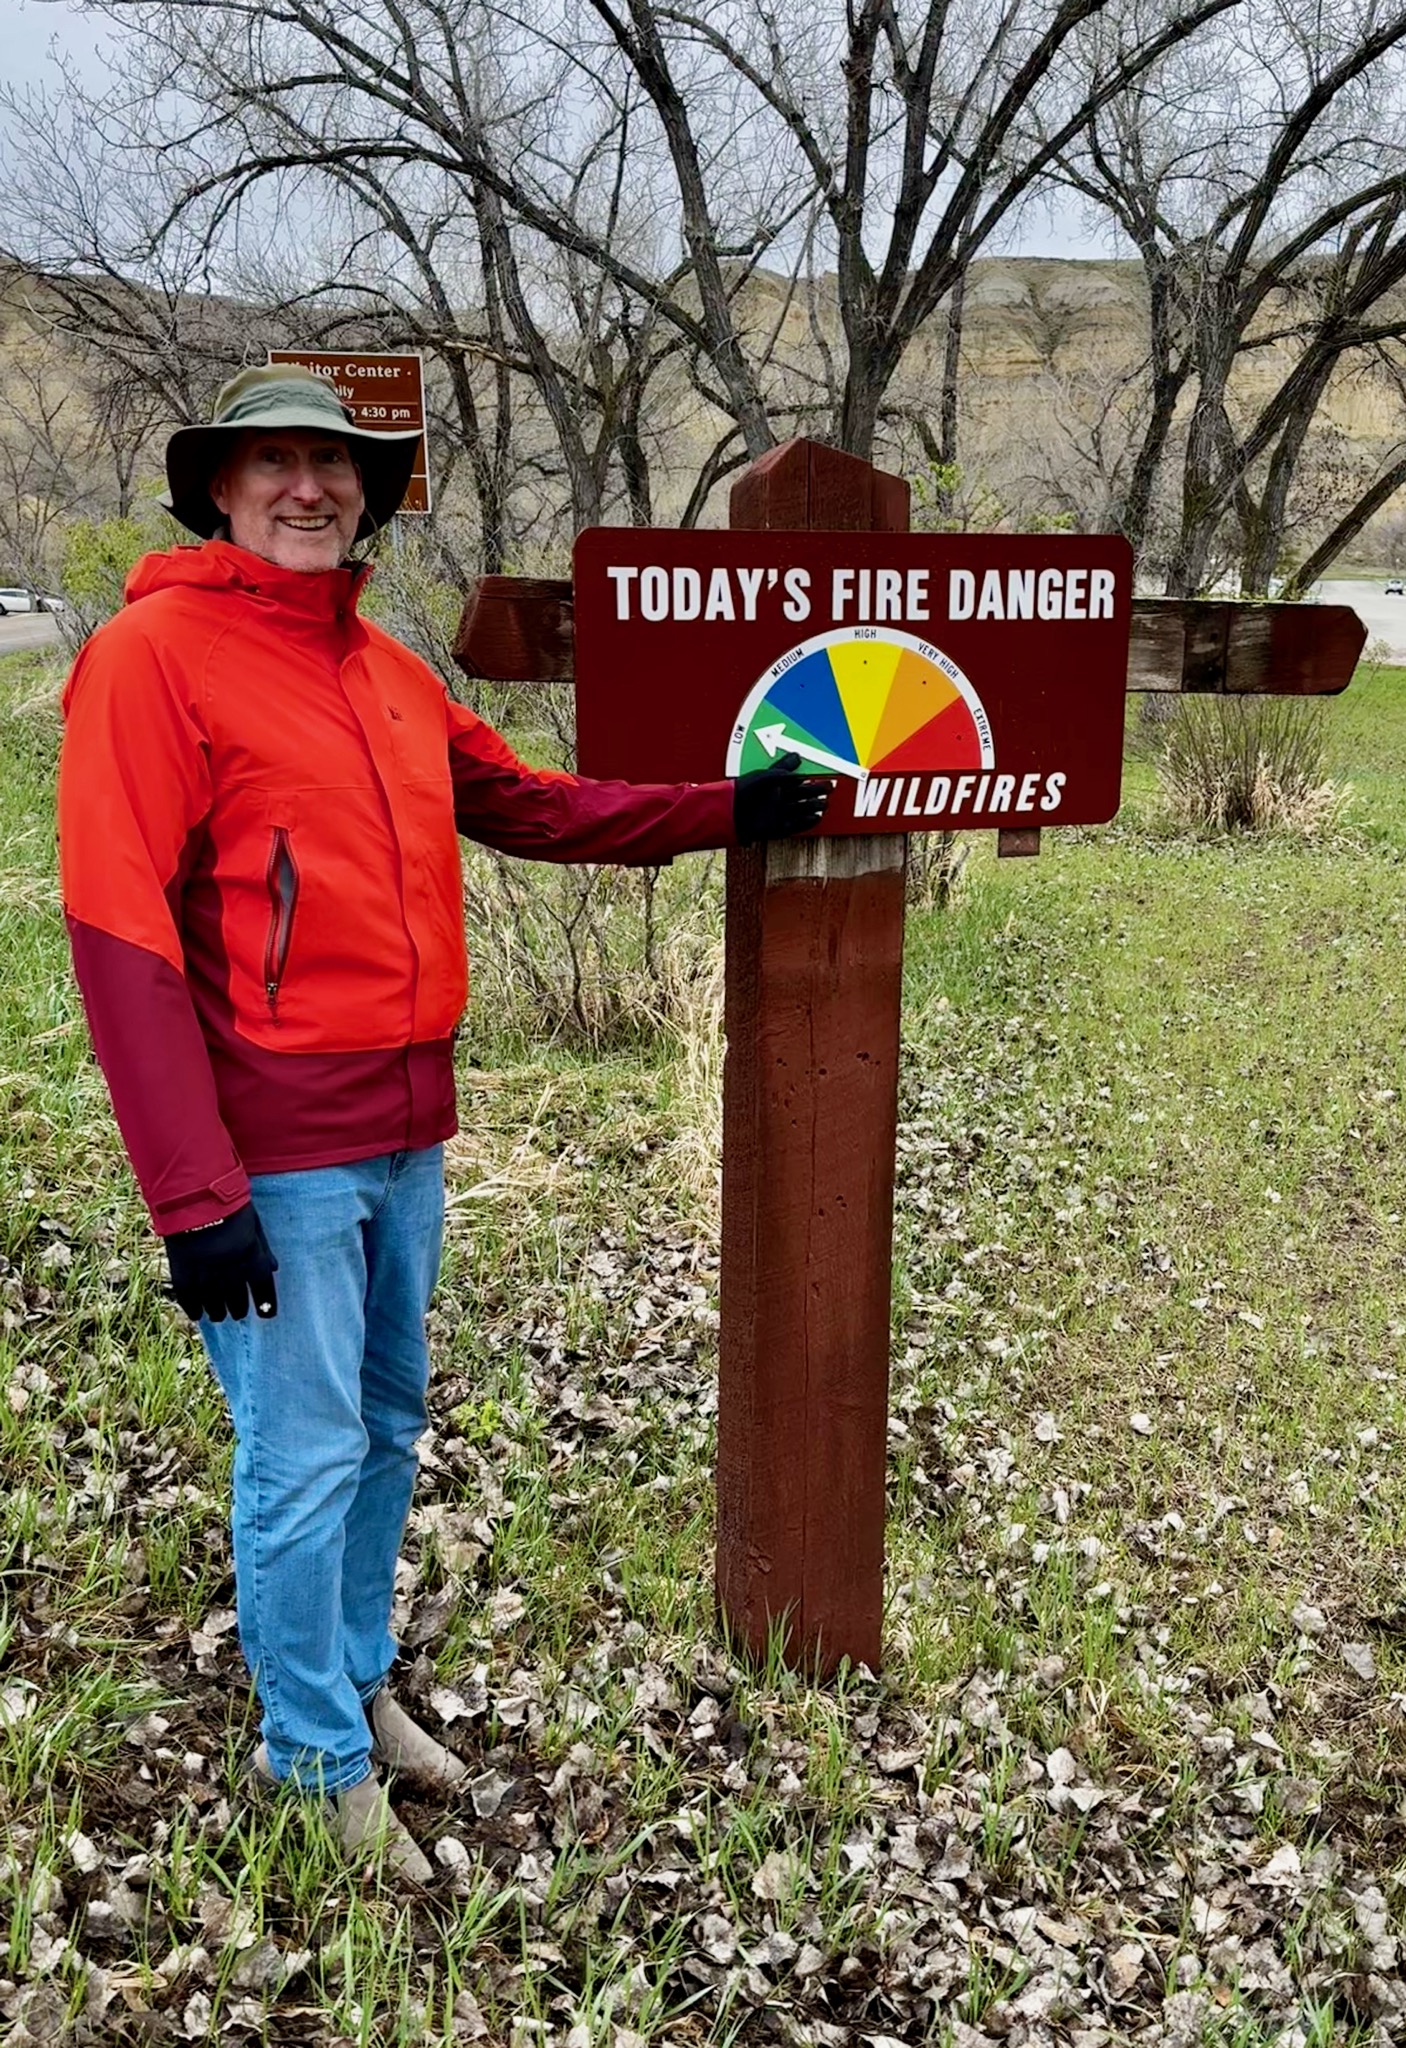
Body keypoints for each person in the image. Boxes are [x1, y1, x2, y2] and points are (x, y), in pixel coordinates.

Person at [56, 365, 828, 1882]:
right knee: (304, 1453)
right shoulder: (151, 657)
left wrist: (729, 806)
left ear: (370, 500)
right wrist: (188, 1194)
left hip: (409, 1136)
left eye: (333, 467)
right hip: (270, 1157)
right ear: (218, 486)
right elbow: (117, 935)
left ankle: (354, 1682)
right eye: (271, 461)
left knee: (388, 1428)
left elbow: (539, 804)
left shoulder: (389, 672)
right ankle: (314, 1760)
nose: (306, 487)